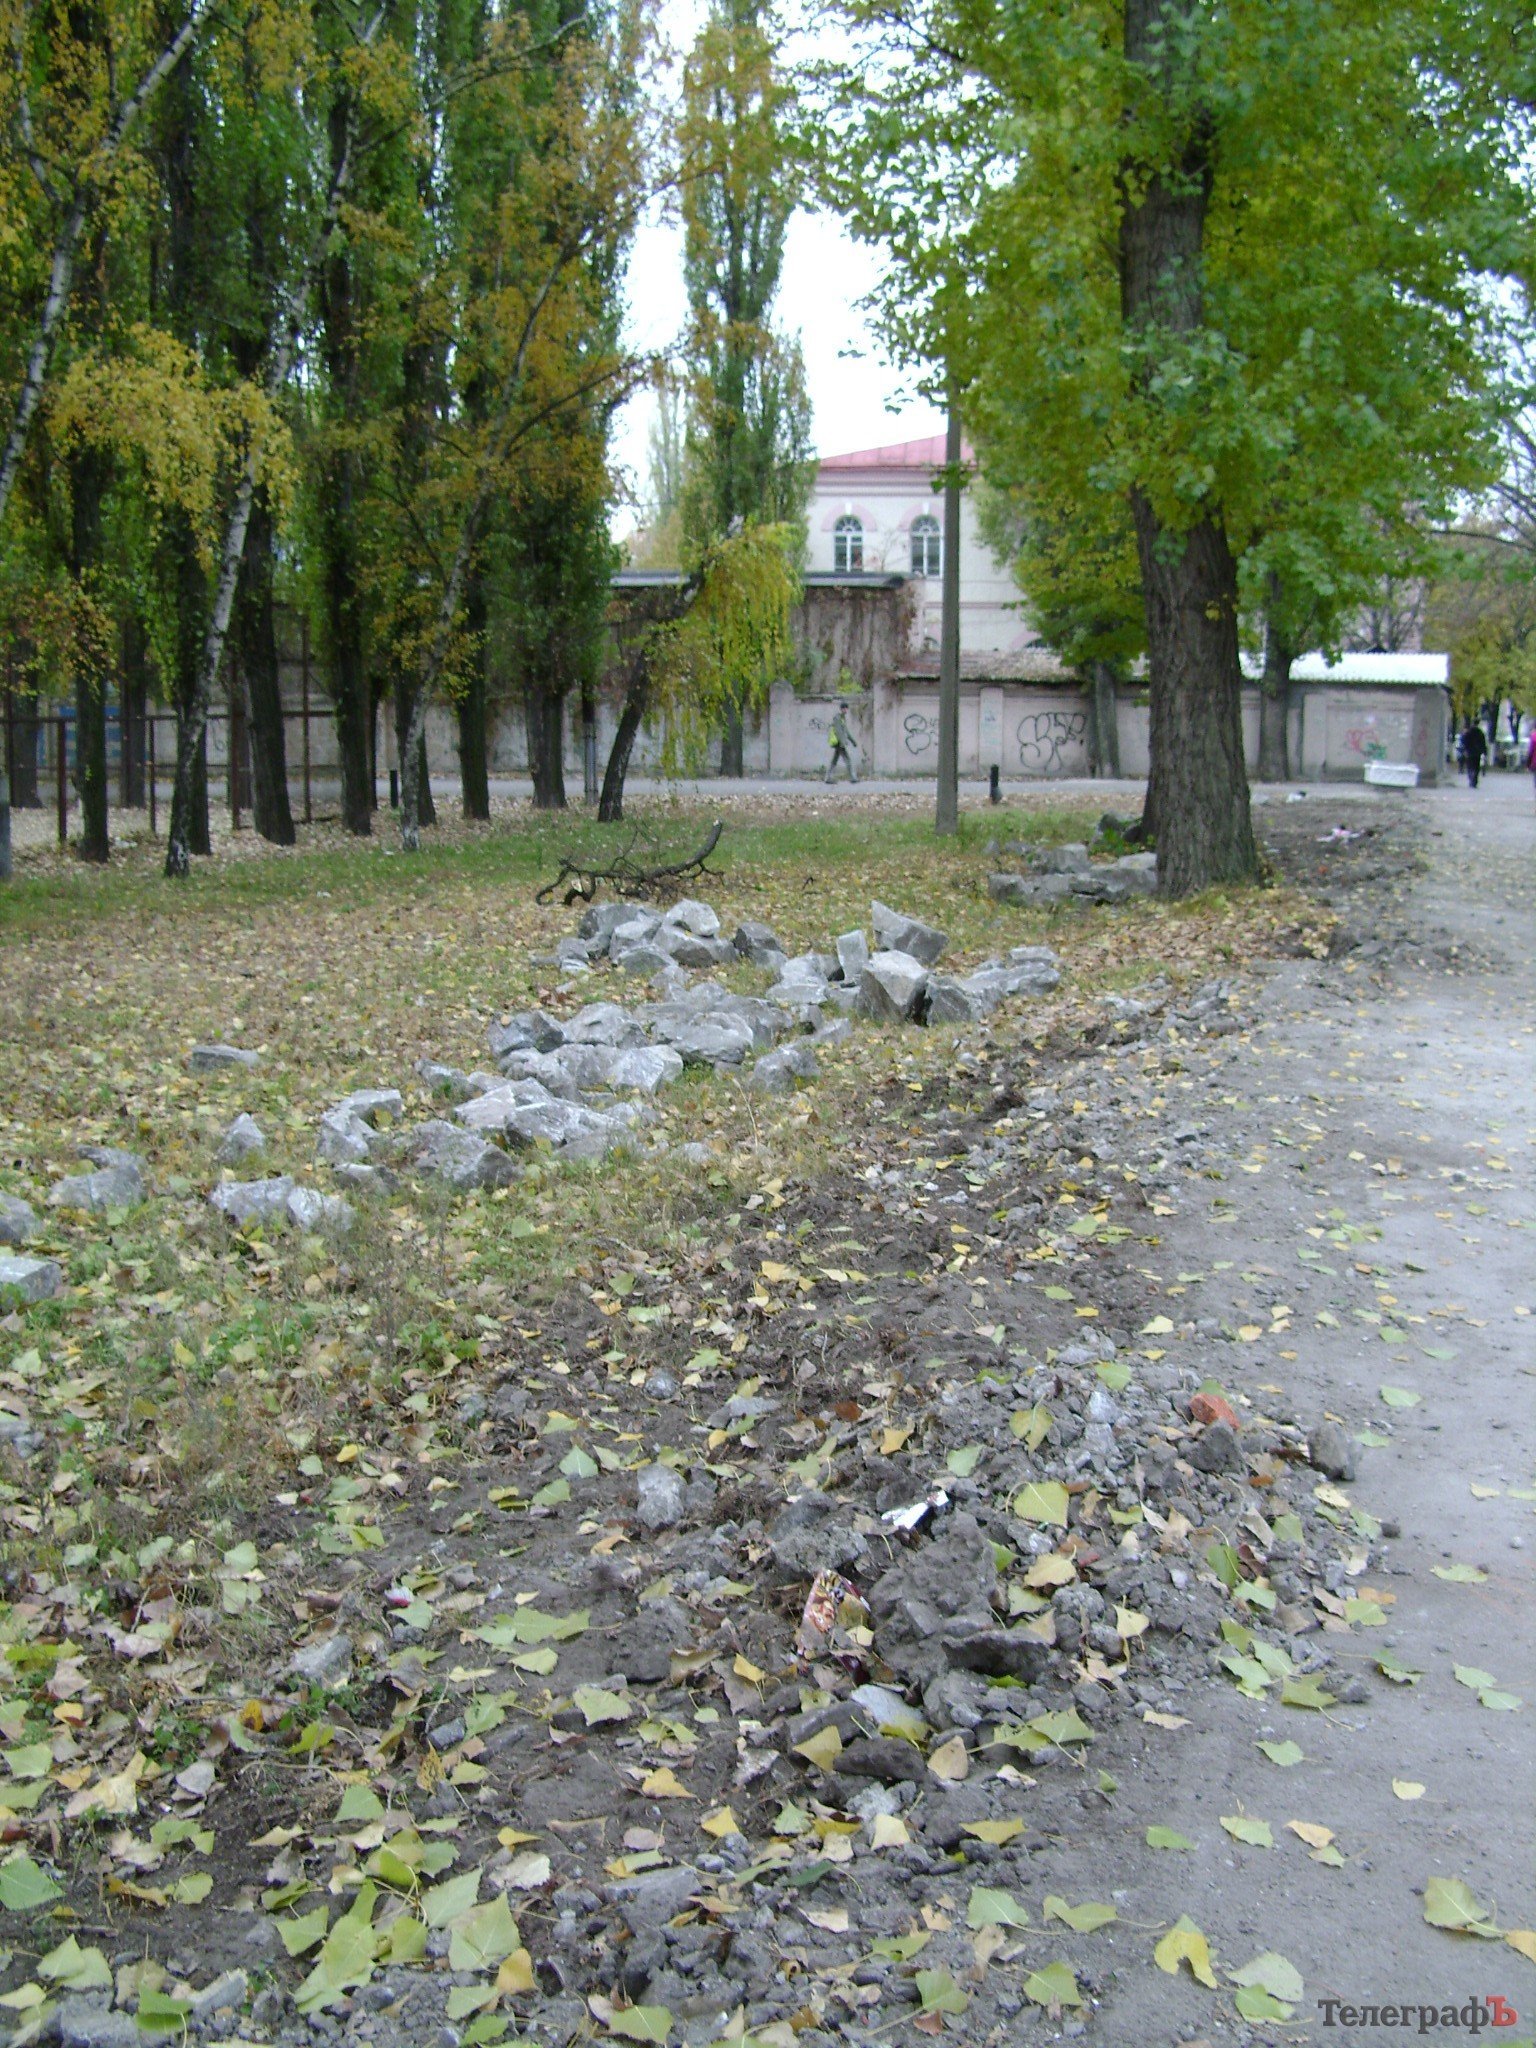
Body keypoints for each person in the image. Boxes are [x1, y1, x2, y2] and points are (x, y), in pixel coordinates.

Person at [825, 704, 860, 784]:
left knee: (834, 760)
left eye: (846, 708)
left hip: (840, 743)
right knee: (847, 759)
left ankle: (828, 777)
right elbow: (838, 731)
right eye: (844, 708)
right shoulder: (837, 718)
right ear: (841, 709)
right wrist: (842, 742)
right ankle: (853, 777)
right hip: (839, 743)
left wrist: (853, 741)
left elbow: (846, 731)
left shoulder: (842, 718)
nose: (845, 710)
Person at [1461, 718, 1487, 789]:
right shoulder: (1480, 732)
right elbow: (1483, 743)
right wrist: (1484, 752)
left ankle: (1471, 778)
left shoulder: (1469, 732)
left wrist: (1465, 750)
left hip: (1470, 752)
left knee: (1470, 766)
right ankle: (1474, 781)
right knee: (1476, 767)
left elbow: (1465, 742)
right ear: (1478, 723)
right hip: (1477, 753)